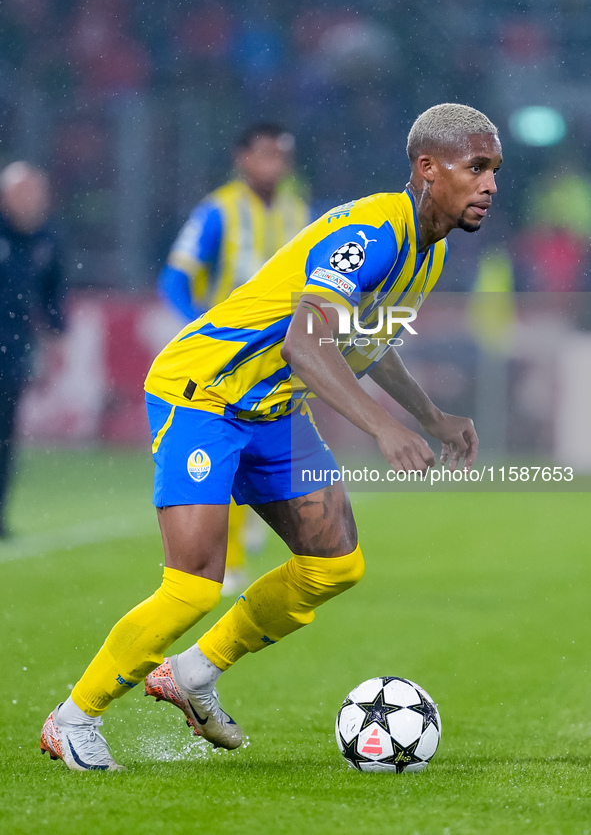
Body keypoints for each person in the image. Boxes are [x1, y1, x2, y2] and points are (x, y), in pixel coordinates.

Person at [40, 103, 502, 771]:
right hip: (205, 391)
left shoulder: (428, 251)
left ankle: (192, 673)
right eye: (476, 168)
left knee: (334, 564)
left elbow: (364, 340)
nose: (489, 184)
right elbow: (305, 344)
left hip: (273, 408)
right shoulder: (371, 231)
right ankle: (73, 716)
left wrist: (430, 416)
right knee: (193, 584)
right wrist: (380, 426)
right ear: (427, 169)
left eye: (494, 171)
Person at [158, 122, 310, 594]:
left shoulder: (297, 211)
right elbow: (174, 278)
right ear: (242, 158)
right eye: (265, 154)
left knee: (273, 450)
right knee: (227, 450)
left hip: (282, 357)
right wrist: (199, 325)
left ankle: (260, 540)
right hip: (224, 360)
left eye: (282, 155)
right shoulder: (217, 212)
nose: (274, 164)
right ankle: (231, 562)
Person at [0, 162, 65, 539]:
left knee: (5, 438)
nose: (34, 202)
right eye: (25, 194)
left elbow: (53, 295)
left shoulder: (47, 239)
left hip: (12, 352)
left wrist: (57, 339)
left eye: (38, 194)